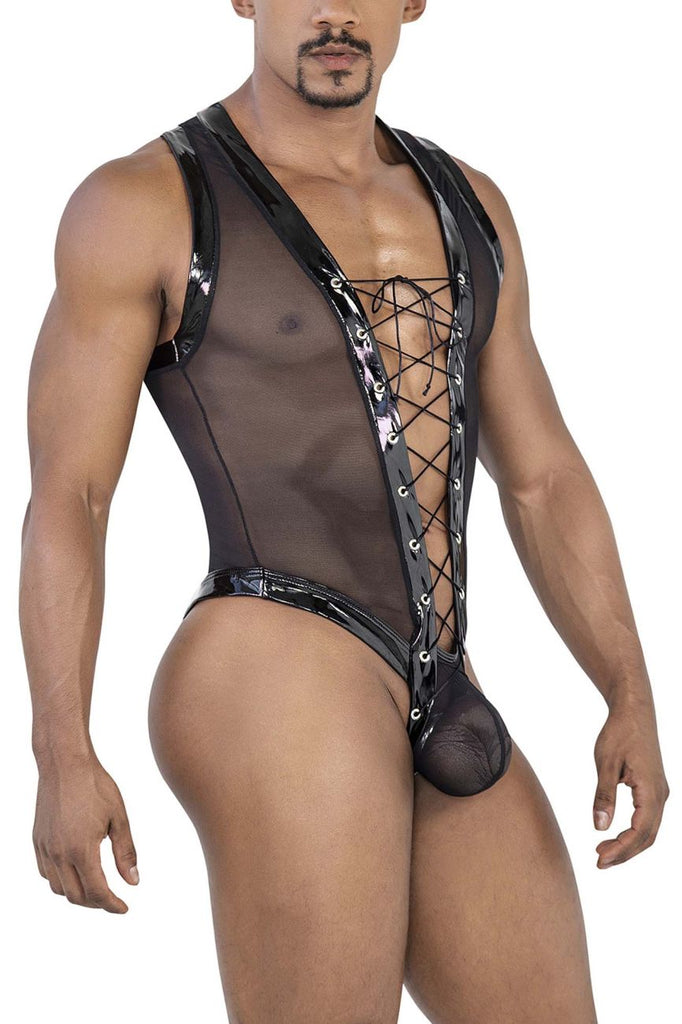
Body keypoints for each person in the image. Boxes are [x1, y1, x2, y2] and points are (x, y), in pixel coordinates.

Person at [20, 2, 669, 1021]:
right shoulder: (146, 202)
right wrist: (62, 749)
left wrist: (627, 687)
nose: (334, 12)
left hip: (443, 677)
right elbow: (73, 494)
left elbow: (542, 476)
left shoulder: (470, 204)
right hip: (268, 659)